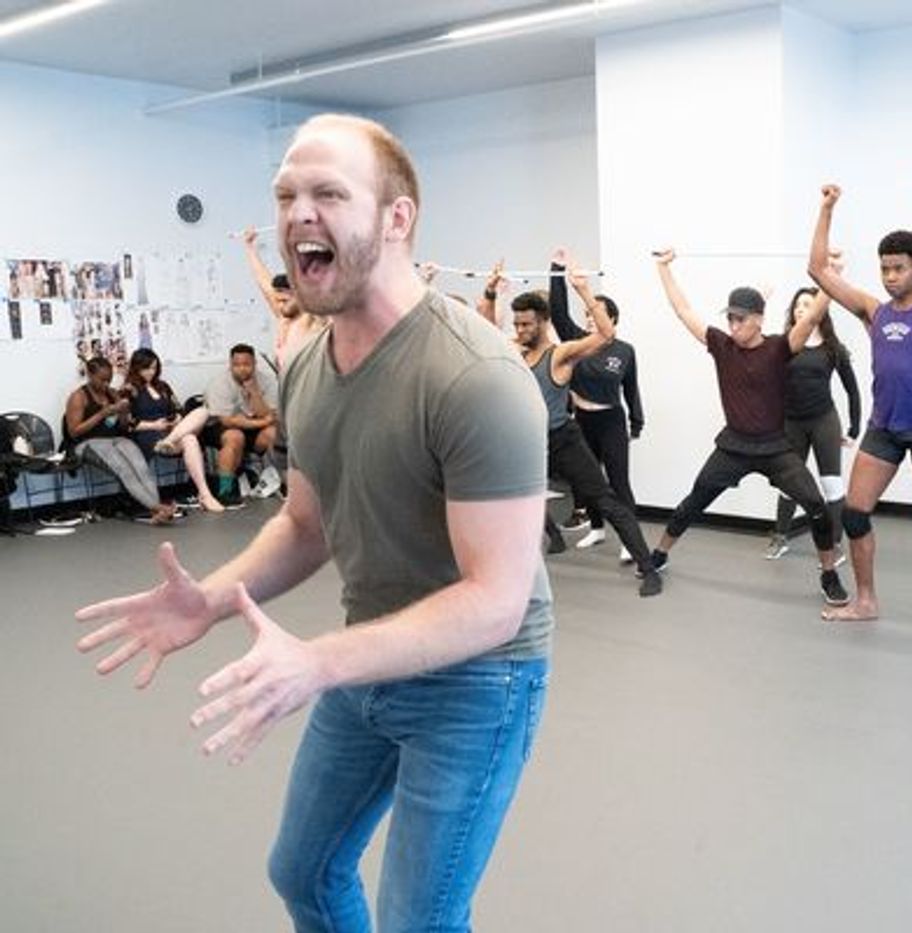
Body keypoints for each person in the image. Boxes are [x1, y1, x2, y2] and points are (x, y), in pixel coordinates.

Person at [76, 113, 554, 931]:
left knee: (421, 918)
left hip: (481, 677)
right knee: (302, 871)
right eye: (286, 194)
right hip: (364, 657)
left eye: (328, 192)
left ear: (397, 219)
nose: (298, 213)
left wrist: (318, 663)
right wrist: (211, 599)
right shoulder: (305, 365)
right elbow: (305, 524)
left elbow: (495, 600)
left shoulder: (475, 377)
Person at [806, 179, 912, 643]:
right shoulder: (872, 311)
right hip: (883, 429)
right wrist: (827, 208)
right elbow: (817, 269)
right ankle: (865, 600)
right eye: (884, 269)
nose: (889, 276)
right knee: (855, 516)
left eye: (898, 268)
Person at [650, 249, 850, 608]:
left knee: (817, 506)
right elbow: (683, 311)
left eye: (740, 319)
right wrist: (663, 268)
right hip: (733, 447)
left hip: (776, 448)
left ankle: (828, 574)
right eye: (730, 318)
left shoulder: (779, 348)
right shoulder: (722, 346)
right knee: (695, 501)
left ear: (759, 319)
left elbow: (814, 315)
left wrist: (832, 275)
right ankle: (660, 554)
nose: (733, 325)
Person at [480, 265, 664, 598]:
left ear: (543, 322)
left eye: (526, 324)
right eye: (517, 323)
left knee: (606, 500)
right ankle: (553, 541)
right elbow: (485, 329)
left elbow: (605, 336)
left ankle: (648, 568)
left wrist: (583, 291)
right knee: (516, 498)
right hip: (530, 443)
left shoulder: (560, 355)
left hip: (564, 439)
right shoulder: (515, 348)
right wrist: (492, 291)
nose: (519, 330)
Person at [546, 249, 646, 561]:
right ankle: (598, 528)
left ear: (611, 320)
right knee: (587, 480)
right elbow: (559, 311)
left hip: (611, 421)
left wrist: (636, 422)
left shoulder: (624, 350)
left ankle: (630, 542)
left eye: (596, 314)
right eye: (588, 314)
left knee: (618, 482)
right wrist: (557, 270)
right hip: (582, 423)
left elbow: (631, 389)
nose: (590, 318)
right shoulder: (577, 341)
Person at [763, 275, 862, 563]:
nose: (800, 309)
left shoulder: (833, 348)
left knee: (831, 485)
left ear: (819, 309)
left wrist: (854, 428)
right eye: (797, 305)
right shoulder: (784, 345)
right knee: (788, 483)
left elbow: (852, 390)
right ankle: (780, 537)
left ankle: (834, 543)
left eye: (807, 304)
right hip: (791, 424)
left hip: (823, 421)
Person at [62, 356, 178, 524]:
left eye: (109, 379)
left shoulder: (112, 393)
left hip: (114, 438)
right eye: (102, 380)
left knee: (140, 466)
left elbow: (123, 426)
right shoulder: (78, 397)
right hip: (86, 443)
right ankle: (156, 507)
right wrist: (102, 413)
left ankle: (155, 509)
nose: (106, 384)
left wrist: (123, 412)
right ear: (89, 375)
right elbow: (74, 432)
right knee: (124, 469)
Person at [121, 347, 223, 512]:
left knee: (203, 412)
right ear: (136, 368)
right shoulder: (128, 389)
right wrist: (154, 425)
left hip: (170, 433)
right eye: (146, 368)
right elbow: (127, 423)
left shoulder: (163, 387)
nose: (151, 372)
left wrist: (175, 419)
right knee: (189, 438)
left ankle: (204, 494)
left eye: (154, 367)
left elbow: (178, 410)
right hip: (148, 434)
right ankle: (205, 495)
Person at [203, 343, 279, 506]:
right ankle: (225, 490)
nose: (242, 369)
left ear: (254, 364)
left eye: (246, 364)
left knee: (274, 433)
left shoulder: (267, 381)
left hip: (253, 425)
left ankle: (280, 481)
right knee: (235, 437)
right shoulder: (219, 383)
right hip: (221, 427)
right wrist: (264, 421)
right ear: (230, 364)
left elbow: (268, 415)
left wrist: (255, 393)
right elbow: (228, 420)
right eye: (237, 365)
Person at [242, 226, 327, 370]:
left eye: (285, 301)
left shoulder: (313, 318)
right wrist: (249, 247)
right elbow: (264, 282)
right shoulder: (284, 318)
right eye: (278, 300)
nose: (280, 306)